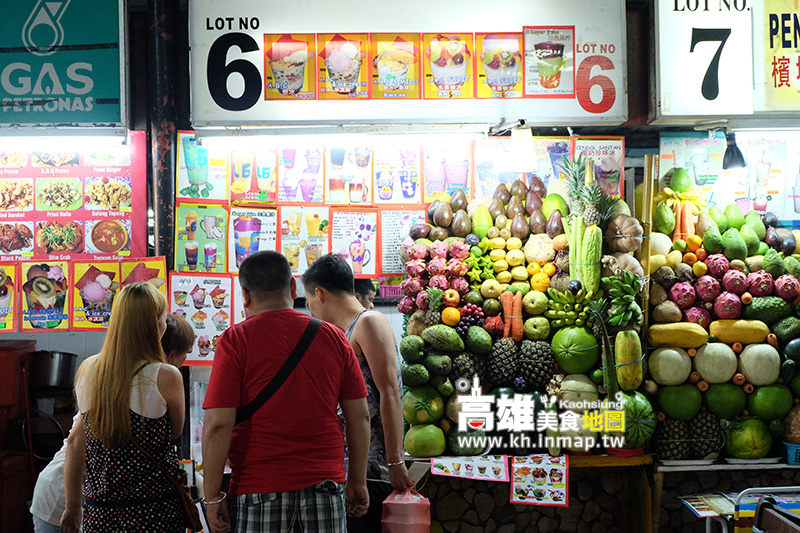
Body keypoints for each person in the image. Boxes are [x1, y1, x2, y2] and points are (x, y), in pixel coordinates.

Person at [202, 251, 371, 533]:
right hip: (325, 486)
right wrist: (357, 480)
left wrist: (212, 496)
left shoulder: (236, 339)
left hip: (259, 488)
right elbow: (360, 417)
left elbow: (218, 424)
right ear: (293, 287)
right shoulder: (333, 337)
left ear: (244, 295)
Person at [32, 313, 195, 533]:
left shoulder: (130, 376)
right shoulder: (141, 379)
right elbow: (75, 443)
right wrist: (73, 507)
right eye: (184, 357)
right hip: (62, 495)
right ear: (172, 355)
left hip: (92, 502)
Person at [302, 254, 414, 533]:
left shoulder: (368, 322)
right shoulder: (340, 332)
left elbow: (390, 393)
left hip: (374, 469)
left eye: (309, 300)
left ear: (319, 293)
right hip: (350, 470)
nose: (311, 308)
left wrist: (395, 460)